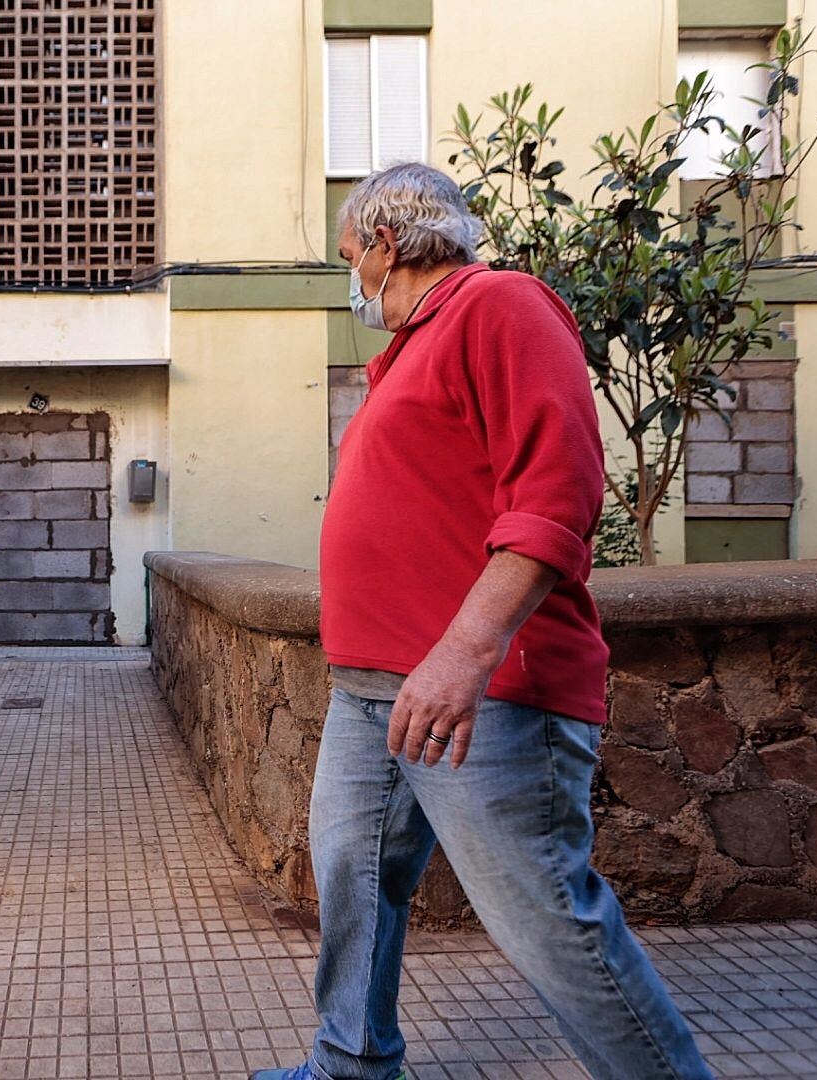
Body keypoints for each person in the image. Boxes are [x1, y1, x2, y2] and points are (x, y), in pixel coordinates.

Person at [249, 163, 713, 1080]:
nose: (352, 281)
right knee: (354, 881)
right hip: (371, 690)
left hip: (482, 690)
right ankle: (352, 1064)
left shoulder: (498, 305)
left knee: (546, 917)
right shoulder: (412, 346)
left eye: (351, 259)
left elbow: (559, 492)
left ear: (386, 245)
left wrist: (467, 649)